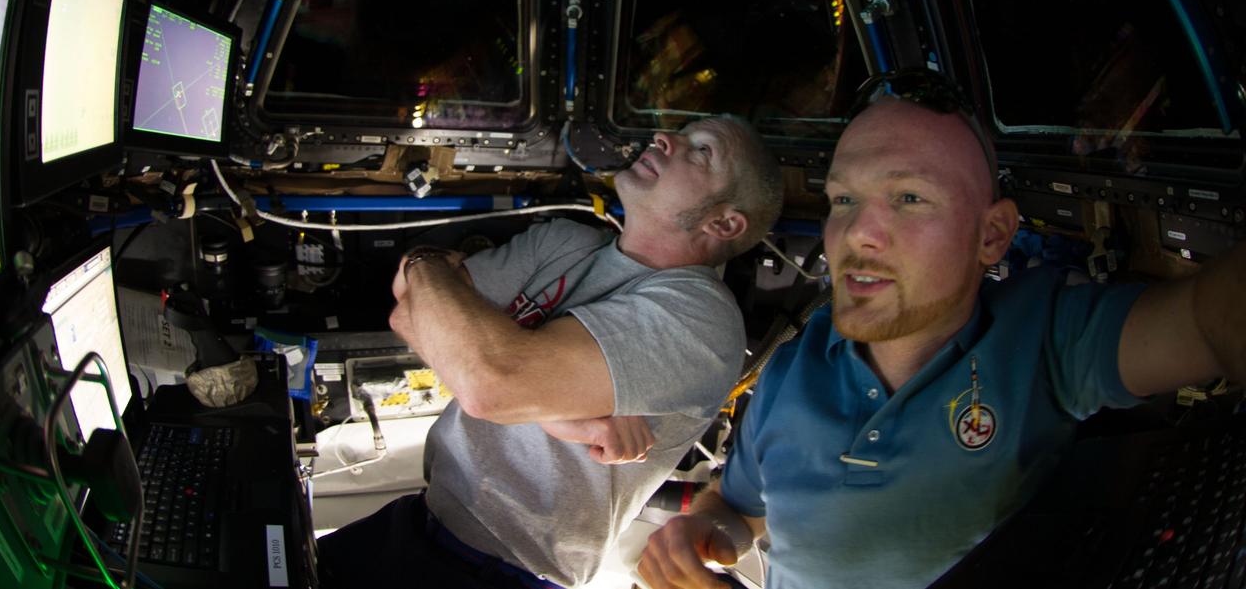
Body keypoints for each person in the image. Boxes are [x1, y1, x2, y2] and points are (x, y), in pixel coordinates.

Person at [637, 68, 1246, 589]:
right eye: (844, 200)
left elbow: (1205, 318)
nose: (857, 234)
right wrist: (699, 532)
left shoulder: (1045, 338)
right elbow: (738, 509)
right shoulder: (790, 371)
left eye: (908, 198)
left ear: (992, 236)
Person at [317, 115, 784, 588]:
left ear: (723, 221)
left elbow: (488, 383)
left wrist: (425, 266)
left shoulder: (698, 320)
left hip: (504, 571)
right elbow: (408, 313)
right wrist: (549, 413)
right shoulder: (562, 241)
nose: (665, 139)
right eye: (679, 134)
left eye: (702, 151)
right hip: (420, 517)